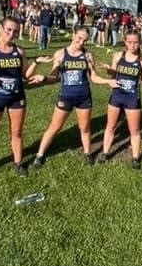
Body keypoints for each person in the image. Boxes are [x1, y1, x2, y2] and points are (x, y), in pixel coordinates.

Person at [0, 17, 50, 183]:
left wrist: (36, 63)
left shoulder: (20, 51)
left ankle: (18, 162)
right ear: (1, 28)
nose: (11, 33)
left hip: (16, 96)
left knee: (16, 133)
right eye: (8, 29)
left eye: (15, 31)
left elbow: (25, 75)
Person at [32, 26, 119, 167]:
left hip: (83, 97)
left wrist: (108, 81)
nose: (81, 42)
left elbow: (94, 78)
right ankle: (40, 154)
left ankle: (87, 153)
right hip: (65, 96)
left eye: (85, 40)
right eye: (79, 38)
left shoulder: (88, 56)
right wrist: (44, 78)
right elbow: (54, 77)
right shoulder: (60, 54)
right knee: (54, 127)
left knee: (84, 127)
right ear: (73, 35)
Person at [97, 29, 142, 169]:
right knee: (111, 126)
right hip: (116, 96)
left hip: (132, 98)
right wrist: (108, 70)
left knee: (135, 130)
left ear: (140, 42)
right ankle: (105, 152)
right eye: (129, 42)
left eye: (136, 42)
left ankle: (136, 157)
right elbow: (113, 75)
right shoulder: (118, 56)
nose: (132, 45)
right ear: (125, 42)